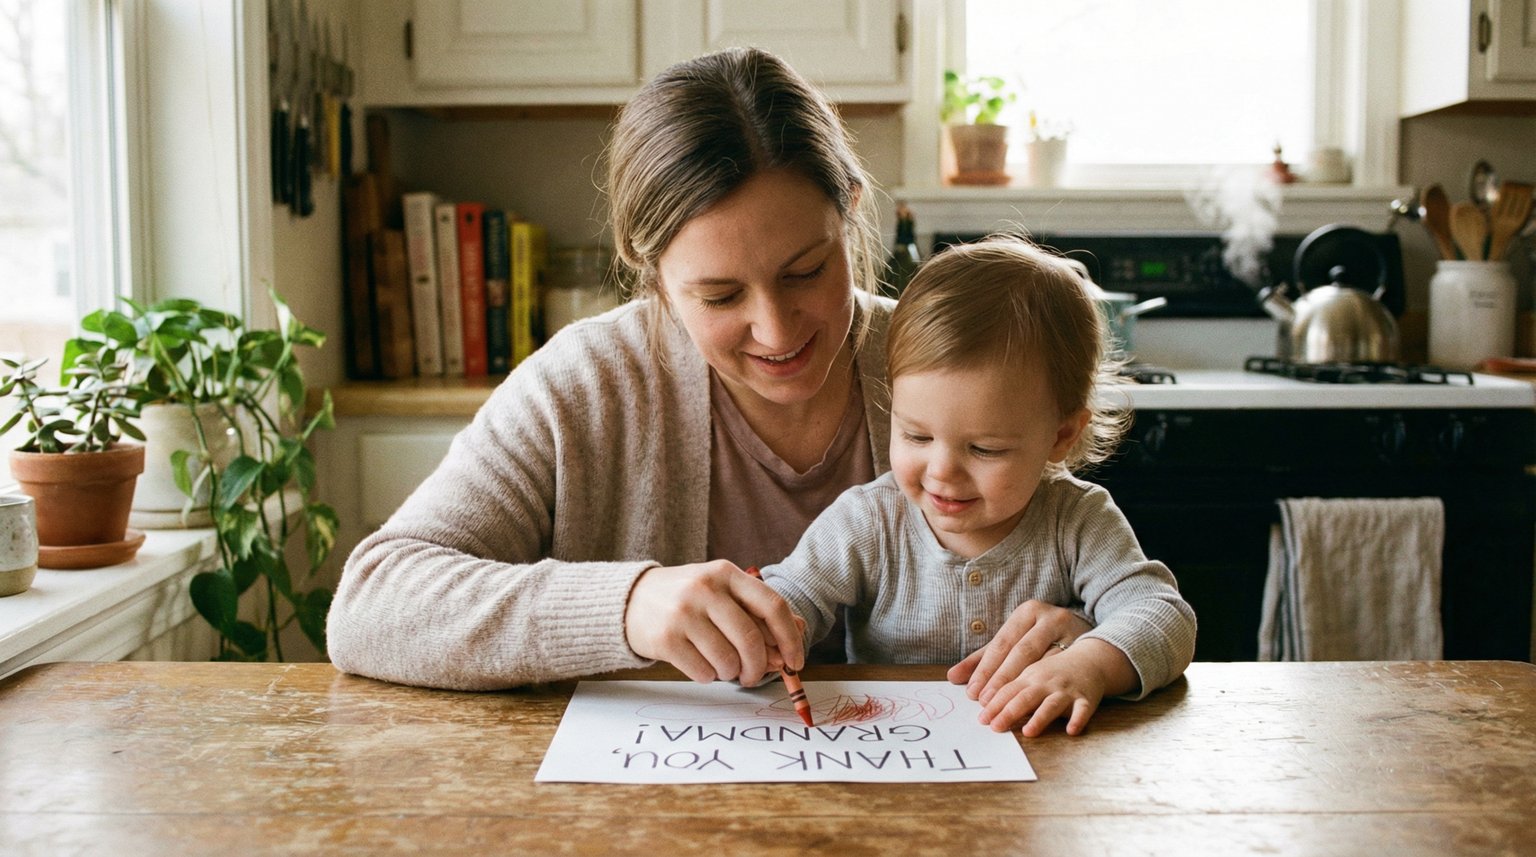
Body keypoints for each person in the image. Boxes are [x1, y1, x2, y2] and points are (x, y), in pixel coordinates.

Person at [326, 47, 1091, 691]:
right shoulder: (584, 387)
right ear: (650, 270)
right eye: (721, 293)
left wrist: (1082, 635)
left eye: (805, 271)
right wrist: (627, 605)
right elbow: (371, 605)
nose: (777, 329)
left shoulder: (941, 364)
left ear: (851, 212)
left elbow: (1085, 569)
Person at [761, 236, 1197, 737]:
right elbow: (791, 595)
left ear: (1061, 435)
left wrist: (1090, 665)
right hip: (892, 752)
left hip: (1041, 761)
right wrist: (770, 626)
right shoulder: (868, 520)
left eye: (984, 449)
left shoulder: (1077, 519)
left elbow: (1163, 615)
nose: (942, 471)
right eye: (916, 435)